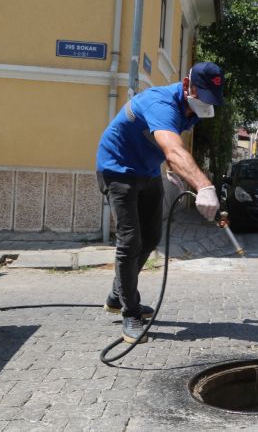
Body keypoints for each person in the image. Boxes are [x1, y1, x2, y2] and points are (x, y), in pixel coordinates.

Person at [96, 62, 224, 344]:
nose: (206, 102)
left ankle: (118, 295)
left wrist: (169, 165)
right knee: (130, 241)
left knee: (152, 236)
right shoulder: (160, 102)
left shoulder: (191, 109)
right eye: (202, 94)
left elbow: (166, 140)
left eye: (211, 98)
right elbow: (173, 146)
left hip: (148, 171)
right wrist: (204, 185)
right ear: (187, 84)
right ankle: (130, 312)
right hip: (117, 170)